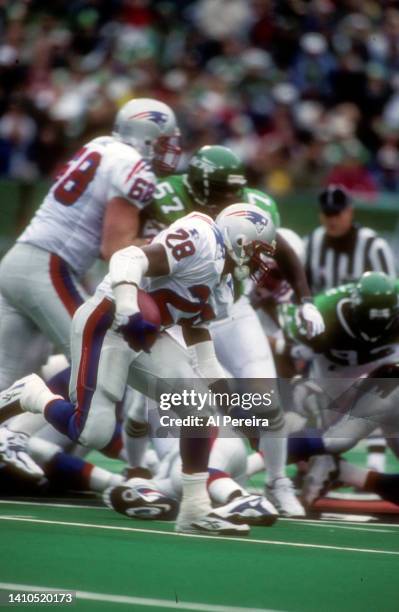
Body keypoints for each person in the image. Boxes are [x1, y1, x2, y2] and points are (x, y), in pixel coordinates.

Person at [0, 203, 278, 535]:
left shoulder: (224, 283)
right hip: (110, 318)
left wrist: (233, 407)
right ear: (240, 239)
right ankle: (31, 393)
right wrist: (130, 308)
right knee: (93, 432)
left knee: (199, 407)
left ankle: (194, 509)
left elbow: (204, 354)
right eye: (259, 251)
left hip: (148, 335)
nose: (261, 262)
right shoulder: (202, 239)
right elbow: (127, 258)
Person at [132, 144, 325, 516]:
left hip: (228, 307)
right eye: (224, 192)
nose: (233, 199)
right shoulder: (164, 197)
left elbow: (280, 247)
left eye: (236, 191)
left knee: (264, 397)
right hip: (177, 310)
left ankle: (276, 481)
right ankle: (144, 469)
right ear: (199, 188)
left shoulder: (251, 203)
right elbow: (129, 241)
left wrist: (305, 299)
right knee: (152, 403)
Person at [0, 97, 181, 468]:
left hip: (20, 259)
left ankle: (12, 438)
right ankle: (15, 438)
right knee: (94, 357)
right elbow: (115, 247)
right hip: (47, 266)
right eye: (164, 140)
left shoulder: (99, 146)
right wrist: (170, 246)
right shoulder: (132, 165)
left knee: (8, 375)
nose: (169, 149)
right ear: (146, 137)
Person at [278, 272, 399, 499]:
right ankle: (261, 458)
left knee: (332, 441)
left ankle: (340, 471)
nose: (375, 330)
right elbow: (281, 347)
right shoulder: (327, 311)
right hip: (343, 371)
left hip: (388, 373)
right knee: (332, 439)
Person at [304, 184, 396, 472]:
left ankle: (376, 465)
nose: (333, 219)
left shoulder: (373, 246)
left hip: (374, 337)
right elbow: (303, 292)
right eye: (327, 213)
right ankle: (320, 468)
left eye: (338, 212)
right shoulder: (311, 244)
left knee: (383, 395)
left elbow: (388, 294)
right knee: (324, 410)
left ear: (349, 211)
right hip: (332, 339)